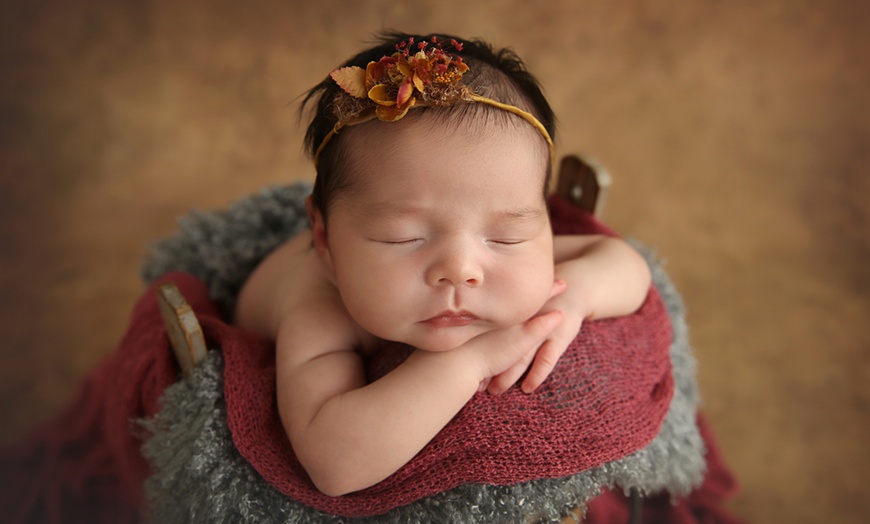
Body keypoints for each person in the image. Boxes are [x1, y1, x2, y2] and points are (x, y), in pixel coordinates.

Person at [234, 32, 652, 497]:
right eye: (403, 237)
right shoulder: (318, 309)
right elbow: (334, 463)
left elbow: (626, 262)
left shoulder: (531, 249)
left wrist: (576, 295)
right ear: (324, 240)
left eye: (505, 236)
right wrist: (468, 362)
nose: (460, 270)